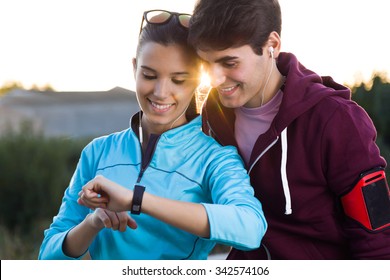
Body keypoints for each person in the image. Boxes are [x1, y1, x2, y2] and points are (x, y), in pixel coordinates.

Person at [38, 9, 267, 260]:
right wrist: (93, 223)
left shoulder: (215, 157)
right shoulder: (97, 152)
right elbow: (48, 257)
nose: (160, 92)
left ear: (197, 81)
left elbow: (250, 228)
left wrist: (136, 200)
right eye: (149, 75)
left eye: (179, 80)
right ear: (134, 68)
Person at [188, 0, 390, 259]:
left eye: (229, 63)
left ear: (271, 45)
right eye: (206, 62)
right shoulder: (212, 114)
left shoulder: (336, 120)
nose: (214, 78)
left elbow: (377, 237)